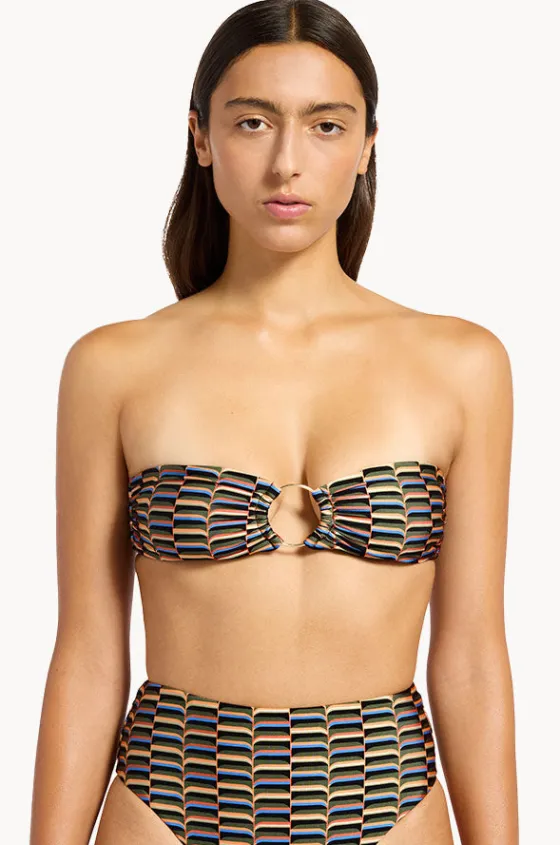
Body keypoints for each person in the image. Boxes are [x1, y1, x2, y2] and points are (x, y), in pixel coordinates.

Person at [30, 1, 518, 843]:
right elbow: (88, 654)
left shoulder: (464, 365)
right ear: (201, 136)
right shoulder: (112, 366)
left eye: (326, 125)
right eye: (252, 122)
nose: (287, 162)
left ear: (367, 144)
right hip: (165, 807)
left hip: (390, 807)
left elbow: (472, 656)